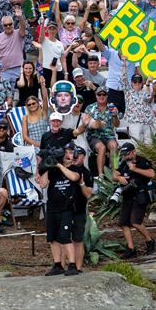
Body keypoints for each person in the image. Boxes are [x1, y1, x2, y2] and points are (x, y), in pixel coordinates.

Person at [39, 145, 81, 276]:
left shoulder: (75, 168)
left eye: (70, 153)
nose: (68, 155)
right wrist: (46, 167)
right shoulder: (52, 171)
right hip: (52, 207)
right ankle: (57, 265)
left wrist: (59, 166)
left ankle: (72, 265)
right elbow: (43, 184)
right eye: (66, 153)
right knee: (53, 238)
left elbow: (74, 177)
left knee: (65, 237)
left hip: (66, 208)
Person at [113, 142, 156, 258]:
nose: (126, 157)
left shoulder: (142, 161)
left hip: (140, 195)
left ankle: (150, 241)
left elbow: (152, 174)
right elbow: (114, 175)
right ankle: (131, 248)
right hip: (127, 195)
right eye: (124, 155)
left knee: (135, 222)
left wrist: (135, 169)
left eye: (127, 154)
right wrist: (119, 177)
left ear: (134, 152)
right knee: (123, 223)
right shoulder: (124, 163)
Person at [85, 87, 120, 176]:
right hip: (94, 136)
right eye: (99, 94)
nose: (101, 96)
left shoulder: (112, 107)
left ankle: (114, 173)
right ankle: (101, 175)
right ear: (96, 96)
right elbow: (86, 124)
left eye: (104, 94)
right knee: (102, 148)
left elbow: (116, 125)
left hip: (108, 136)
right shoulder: (90, 108)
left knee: (114, 145)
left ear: (107, 96)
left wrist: (115, 116)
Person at [69, 147, 93, 271]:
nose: (74, 157)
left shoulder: (87, 173)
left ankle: (78, 268)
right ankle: (63, 266)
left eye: (77, 155)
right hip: (65, 210)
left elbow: (89, 194)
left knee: (78, 240)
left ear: (83, 157)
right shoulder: (66, 168)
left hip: (79, 211)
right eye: (73, 154)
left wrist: (82, 184)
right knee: (63, 240)